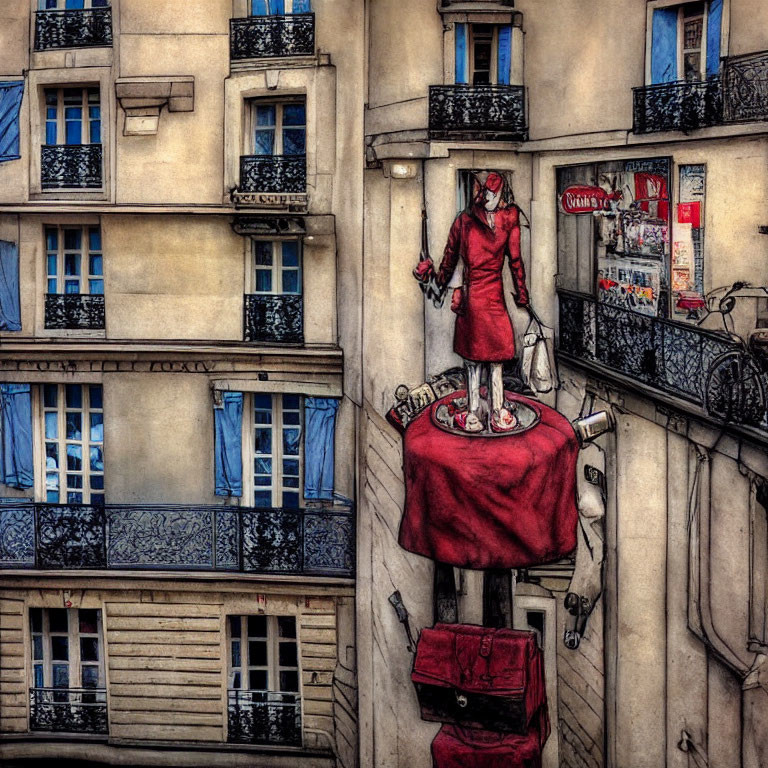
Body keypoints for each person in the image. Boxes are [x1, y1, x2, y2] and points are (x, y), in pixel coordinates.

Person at [414, 172, 532, 432]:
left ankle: (474, 414)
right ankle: (498, 413)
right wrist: (522, 294)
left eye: (492, 193)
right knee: (493, 359)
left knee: (476, 360)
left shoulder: (464, 221)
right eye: (489, 193)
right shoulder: (508, 221)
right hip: (491, 297)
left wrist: (436, 280)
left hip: (475, 296)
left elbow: (449, 259)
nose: (489, 197)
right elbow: (515, 262)